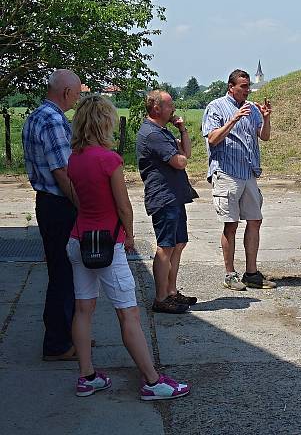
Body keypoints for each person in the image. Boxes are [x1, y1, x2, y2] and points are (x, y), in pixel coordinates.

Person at [66, 95, 190, 399]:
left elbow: (79, 200)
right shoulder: (109, 160)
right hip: (108, 243)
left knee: (83, 309)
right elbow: (123, 206)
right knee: (128, 314)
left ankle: (87, 377)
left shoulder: (74, 158)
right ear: (103, 122)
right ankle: (151, 380)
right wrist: (130, 235)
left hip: (78, 240)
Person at [22, 69, 82, 361]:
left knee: (60, 272)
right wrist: (84, 207)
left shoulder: (35, 115)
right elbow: (63, 172)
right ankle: (58, 344)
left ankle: (70, 336)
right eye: (78, 92)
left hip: (46, 203)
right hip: (60, 204)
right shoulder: (54, 120)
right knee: (64, 274)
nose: (78, 98)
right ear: (67, 93)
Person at [202, 69, 274, 291]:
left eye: (248, 85)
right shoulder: (215, 107)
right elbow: (213, 139)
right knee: (231, 224)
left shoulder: (252, 108)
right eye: (243, 86)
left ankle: (251, 273)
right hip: (226, 172)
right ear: (231, 87)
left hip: (249, 173)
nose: (247, 90)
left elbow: (264, 136)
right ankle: (230, 274)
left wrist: (266, 118)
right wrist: (233, 120)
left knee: (255, 220)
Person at [136, 90, 199, 314]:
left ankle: (171, 291)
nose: (173, 109)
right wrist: (179, 152)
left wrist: (182, 129)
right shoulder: (152, 134)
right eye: (169, 105)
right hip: (163, 198)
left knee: (178, 244)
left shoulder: (162, 132)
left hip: (175, 196)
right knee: (166, 246)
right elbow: (180, 161)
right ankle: (161, 298)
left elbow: (187, 153)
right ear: (156, 108)